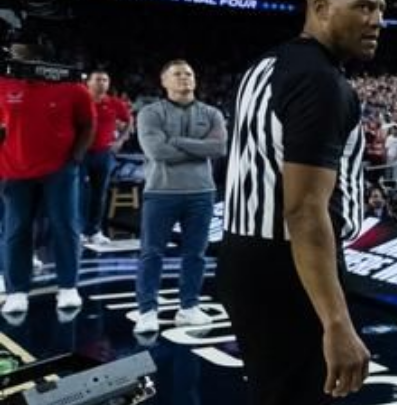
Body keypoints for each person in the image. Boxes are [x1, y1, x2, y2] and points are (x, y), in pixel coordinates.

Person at [217, 0, 384, 405]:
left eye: (381, 10)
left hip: (244, 256)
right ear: (318, 7)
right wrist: (337, 321)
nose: (376, 21)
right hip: (290, 270)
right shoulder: (322, 83)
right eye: (361, 7)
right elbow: (305, 212)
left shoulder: (269, 64)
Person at [0, 42, 95, 314]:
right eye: (12, 52)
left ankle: (68, 287)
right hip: (14, 169)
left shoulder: (72, 87)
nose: (14, 56)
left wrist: (75, 159)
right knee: (16, 230)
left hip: (59, 169)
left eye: (22, 52)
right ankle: (17, 290)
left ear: (39, 56)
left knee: (65, 226)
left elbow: (88, 124)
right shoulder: (4, 84)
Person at [133, 60, 227, 334]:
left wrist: (177, 141)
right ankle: (147, 310)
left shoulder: (212, 113)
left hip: (202, 193)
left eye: (189, 73)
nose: (184, 78)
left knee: (195, 254)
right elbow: (157, 152)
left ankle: (189, 308)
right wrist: (200, 148)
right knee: (151, 254)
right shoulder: (150, 113)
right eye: (177, 74)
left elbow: (219, 147)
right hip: (160, 192)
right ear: (164, 82)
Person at [80, 69, 132, 247]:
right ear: (88, 82)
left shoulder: (115, 103)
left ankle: (93, 231)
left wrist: (120, 140)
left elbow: (129, 120)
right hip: (81, 153)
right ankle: (78, 230)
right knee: (79, 194)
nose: (102, 83)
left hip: (104, 154)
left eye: (105, 80)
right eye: (98, 79)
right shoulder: (80, 101)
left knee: (99, 194)